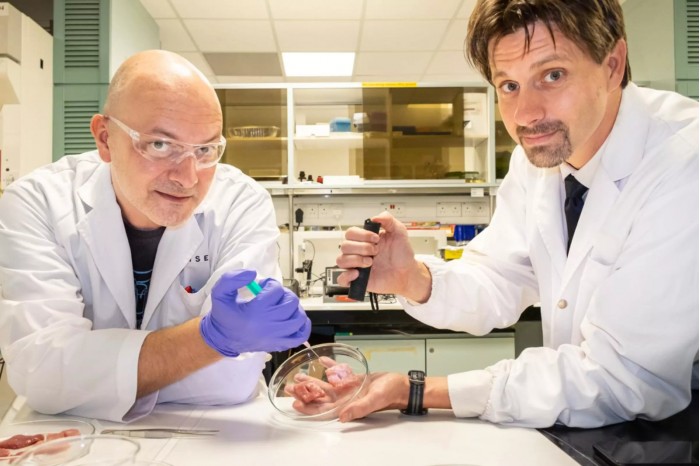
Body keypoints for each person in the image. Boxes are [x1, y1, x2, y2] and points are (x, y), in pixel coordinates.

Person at [318, 0, 698, 428]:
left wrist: (417, 390)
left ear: (613, 65)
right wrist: (413, 279)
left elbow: (625, 377)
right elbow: (499, 277)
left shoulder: (685, 162)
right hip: (591, 423)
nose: (525, 115)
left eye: (552, 75)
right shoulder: (536, 159)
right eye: (509, 85)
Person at [0, 50, 311, 422]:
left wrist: (93, 374)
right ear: (105, 138)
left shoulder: (241, 202)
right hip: (68, 437)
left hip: (211, 437)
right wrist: (210, 339)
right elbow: (42, 371)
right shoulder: (39, 202)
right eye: (160, 145)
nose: (188, 177)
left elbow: (232, 378)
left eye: (205, 149)